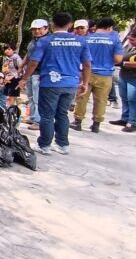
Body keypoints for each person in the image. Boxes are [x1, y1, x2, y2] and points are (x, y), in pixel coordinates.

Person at [19, 12, 91, 155]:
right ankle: (62, 145)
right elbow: (87, 64)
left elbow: (34, 62)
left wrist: (24, 78)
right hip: (71, 83)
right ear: (70, 25)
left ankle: (44, 145)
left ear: (51, 25)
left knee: (47, 115)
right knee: (62, 114)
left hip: (50, 83)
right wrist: (85, 83)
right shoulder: (81, 41)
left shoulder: (45, 41)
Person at [70, 18, 123, 133]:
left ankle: (78, 122)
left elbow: (79, 56)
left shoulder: (87, 38)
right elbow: (118, 58)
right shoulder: (114, 40)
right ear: (109, 28)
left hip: (86, 73)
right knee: (101, 100)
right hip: (105, 74)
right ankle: (96, 125)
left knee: (82, 97)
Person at [21, 19, 49, 131]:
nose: (37, 31)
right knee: (31, 96)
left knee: (38, 98)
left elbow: (35, 61)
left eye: (39, 29)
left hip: (40, 72)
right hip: (30, 72)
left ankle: (39, 121)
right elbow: (29, 54)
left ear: (46, 29)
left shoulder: (48, 41)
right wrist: (22, 65)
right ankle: (33, 117)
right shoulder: (33, 41)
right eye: (34, 29)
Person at [109, 29, 136, 132]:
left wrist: (124, 63)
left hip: (134, 78)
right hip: (124, 75)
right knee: (124, 98)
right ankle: (125, 118)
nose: (130, 42)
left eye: (133, 40)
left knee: (133, 99)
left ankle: (133, 122)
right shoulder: (128, 46)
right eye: (129, 39)